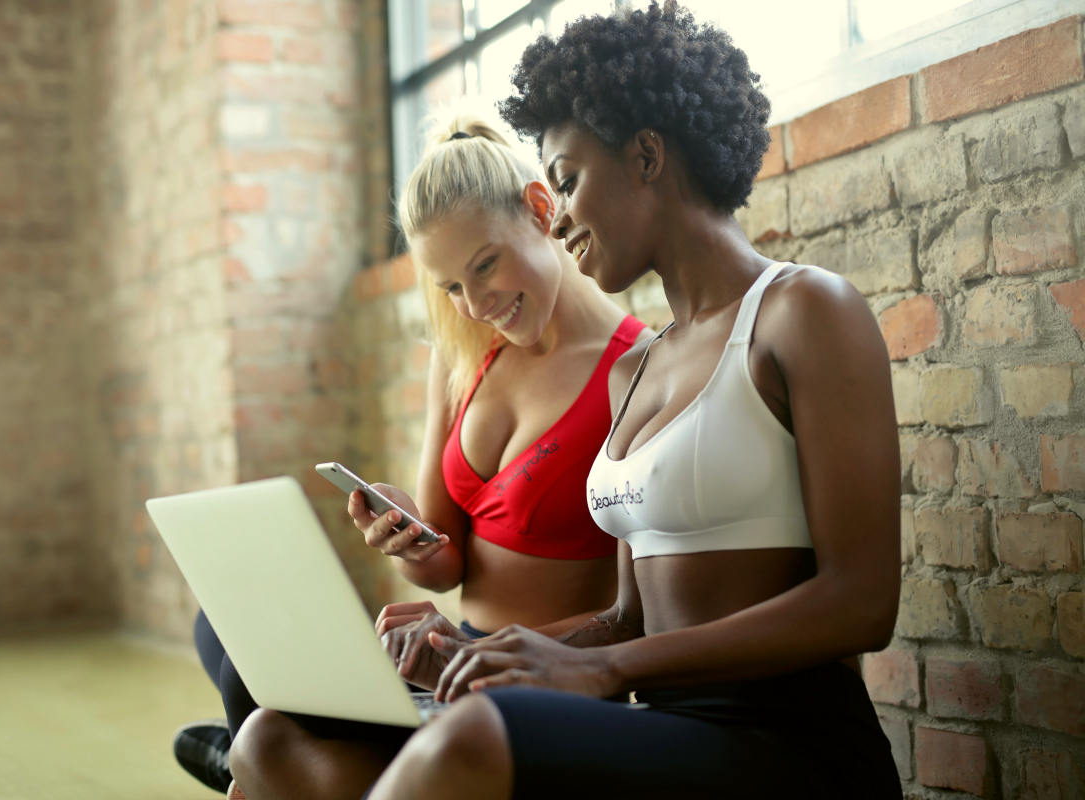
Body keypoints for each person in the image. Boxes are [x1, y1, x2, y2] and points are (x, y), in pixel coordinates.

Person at [229, 3, 903, 799]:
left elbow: (862, 604)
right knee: (273, 737)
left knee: (473, 735)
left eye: (569, 181)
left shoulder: (805, 311)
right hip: (655, 720)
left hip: (787, 741)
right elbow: (627, 614)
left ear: (648, 155)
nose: (564, 219)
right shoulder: (640, 370)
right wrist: (481, 650)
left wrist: (602, 667)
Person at [172, 109, 647, 794]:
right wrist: (409, 535)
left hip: (533, 677)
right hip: (445, 658)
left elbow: (634, 617)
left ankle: (255, 771)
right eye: (453, 287)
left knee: (264, 728)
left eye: (485, 265)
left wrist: (473, 653)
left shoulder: (635, 371)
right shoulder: (465, 357)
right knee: (229, 633)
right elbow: (445, 562)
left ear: (541, 208)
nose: (478, 305)